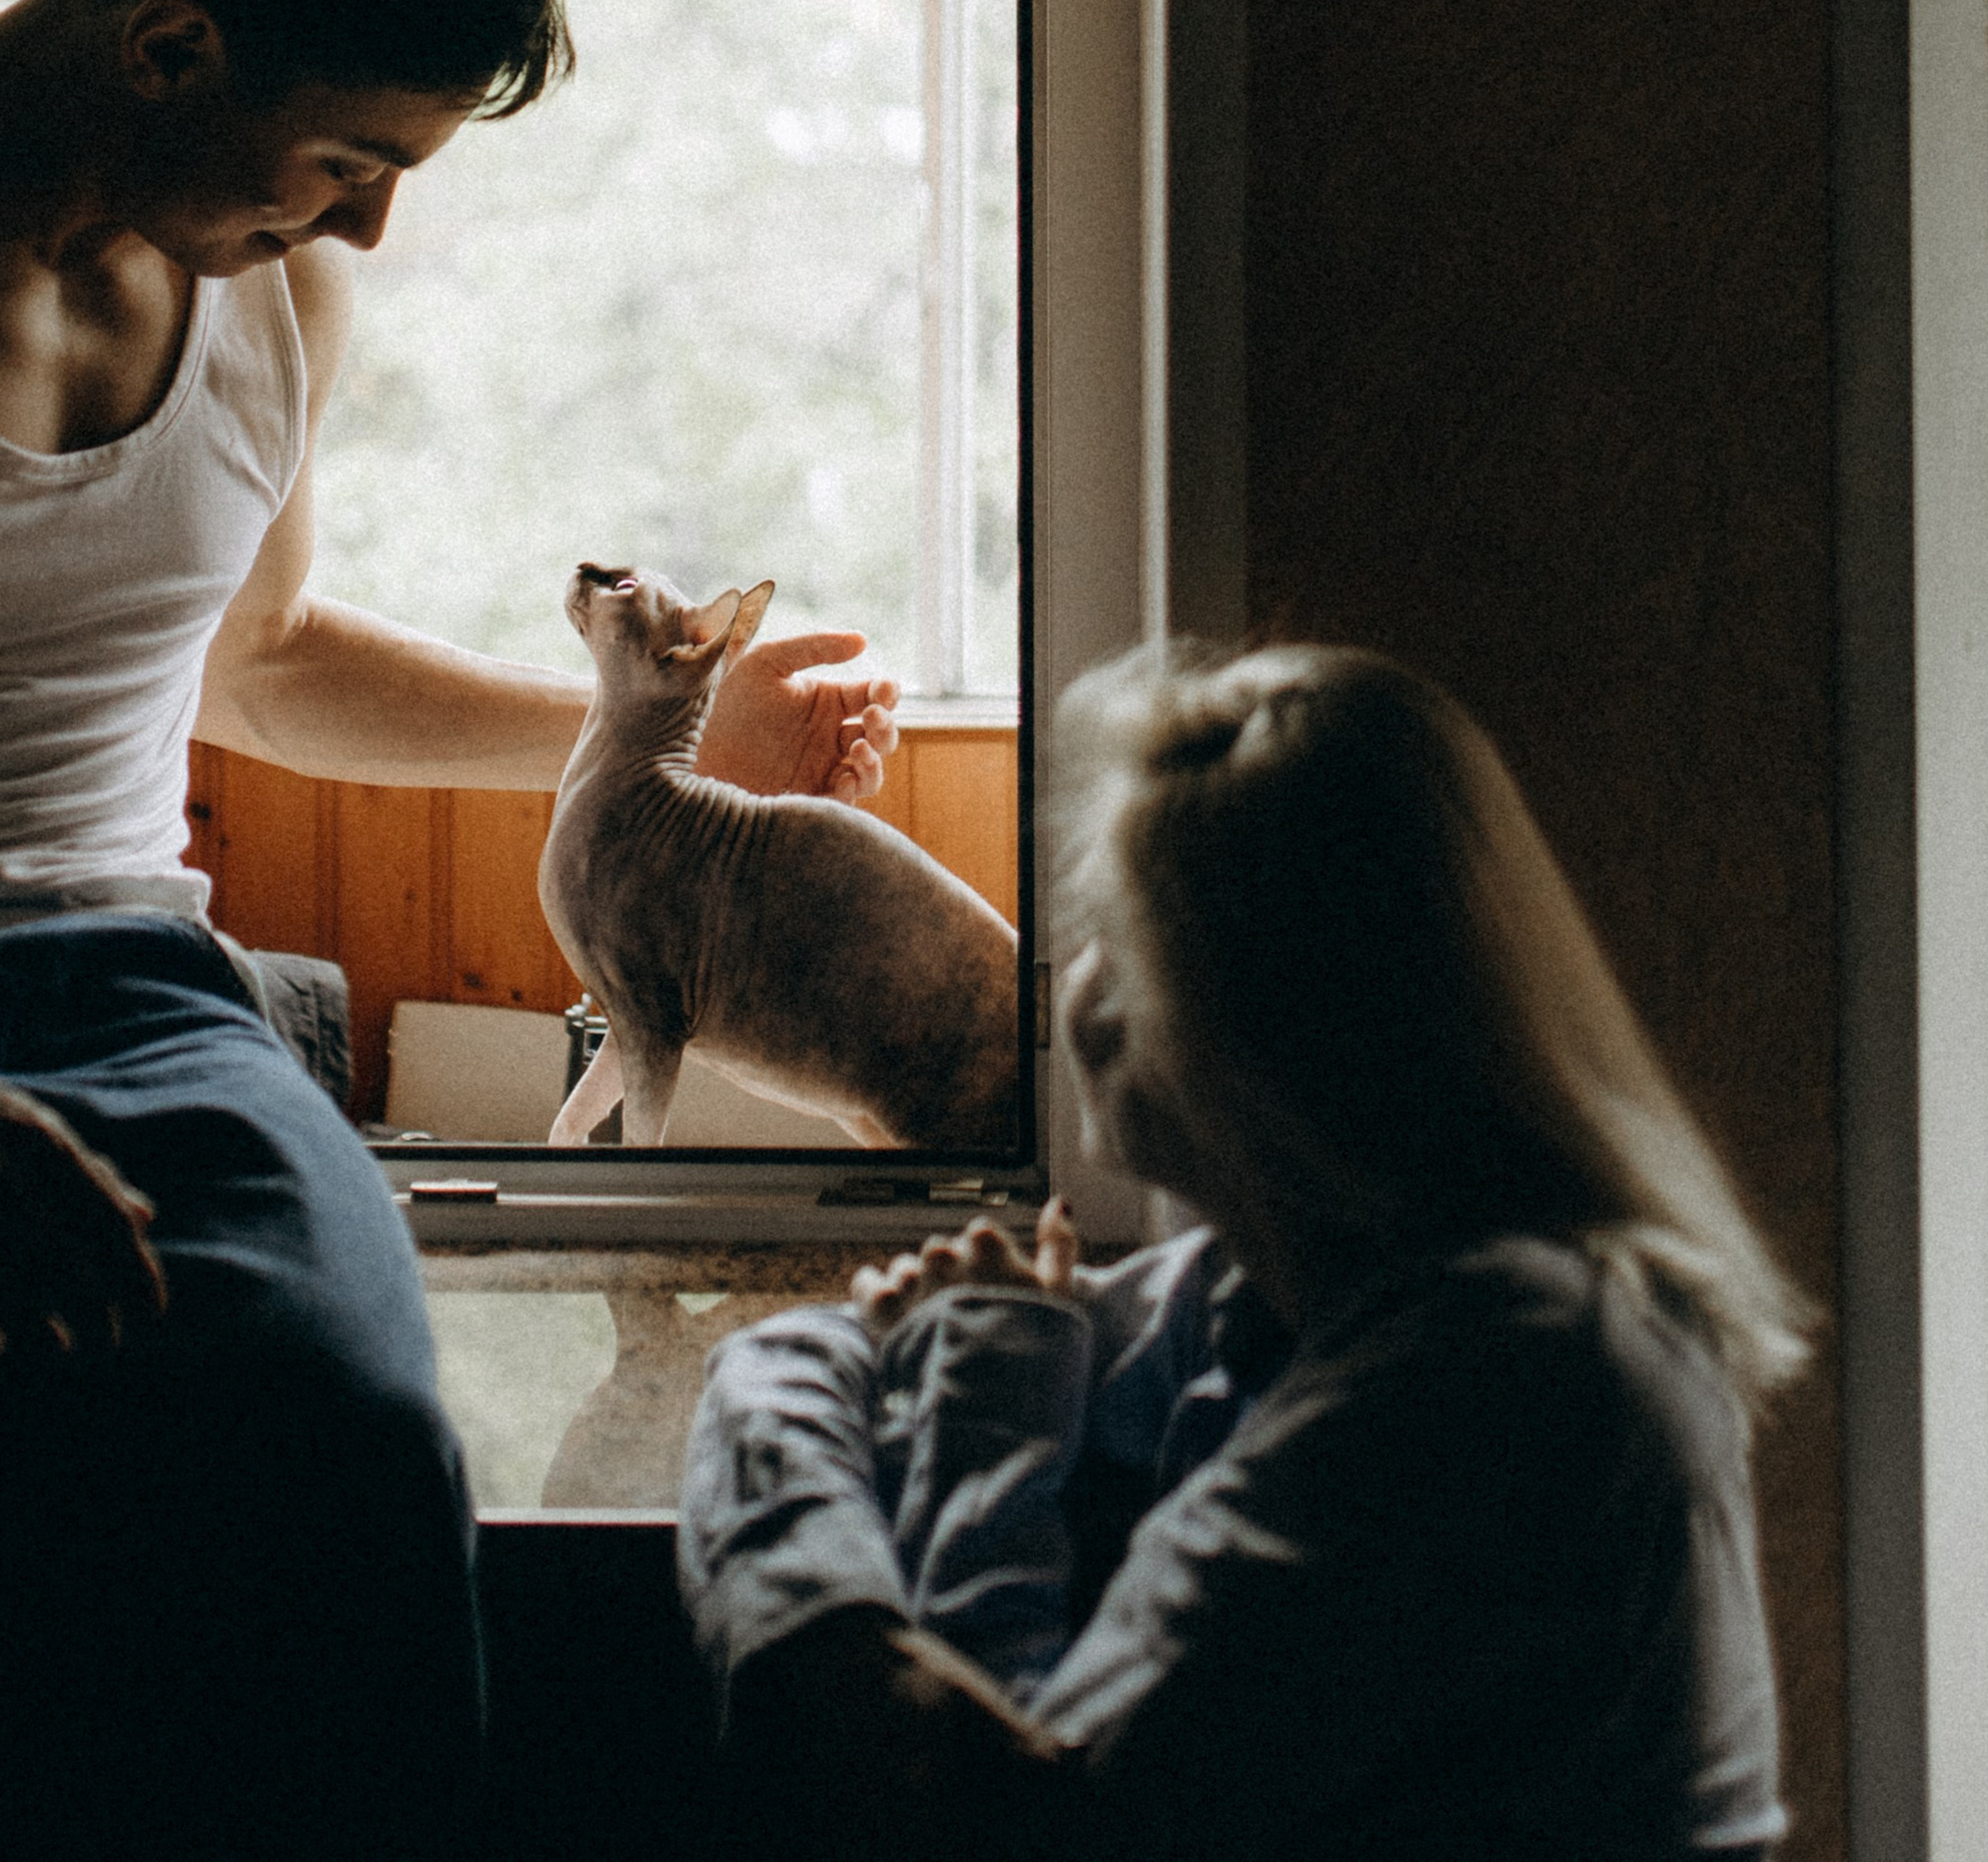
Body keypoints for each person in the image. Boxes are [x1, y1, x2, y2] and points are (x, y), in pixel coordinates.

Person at [0, 0, 897, 1862]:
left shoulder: (275, 294)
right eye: (341, 156)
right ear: (164, 44)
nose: (370, 223)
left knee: (340, 1444)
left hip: (129, 1001)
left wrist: (664, 745)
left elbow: (269, 666)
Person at [679, 641, 1810, 1862]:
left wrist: (976, 1419)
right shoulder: (1285, 1277)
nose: (1072, 989)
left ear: (1253, 1017)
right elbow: (823, 1355)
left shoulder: (1514, 1375)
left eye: (1111, 937)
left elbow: (1004, 1824)